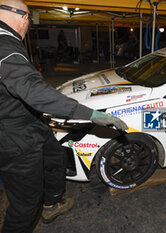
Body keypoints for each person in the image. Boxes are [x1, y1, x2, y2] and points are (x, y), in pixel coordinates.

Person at [0, 0, 128, 232]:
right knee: (26, 206)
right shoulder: (4, 46)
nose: (28, 25)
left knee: (55, 157)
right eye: (29, 19)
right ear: (21, 18)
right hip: (13, 136)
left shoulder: (6, 41)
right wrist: (89, 114)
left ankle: (52, 202)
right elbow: (33, 90)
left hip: (28, 122)